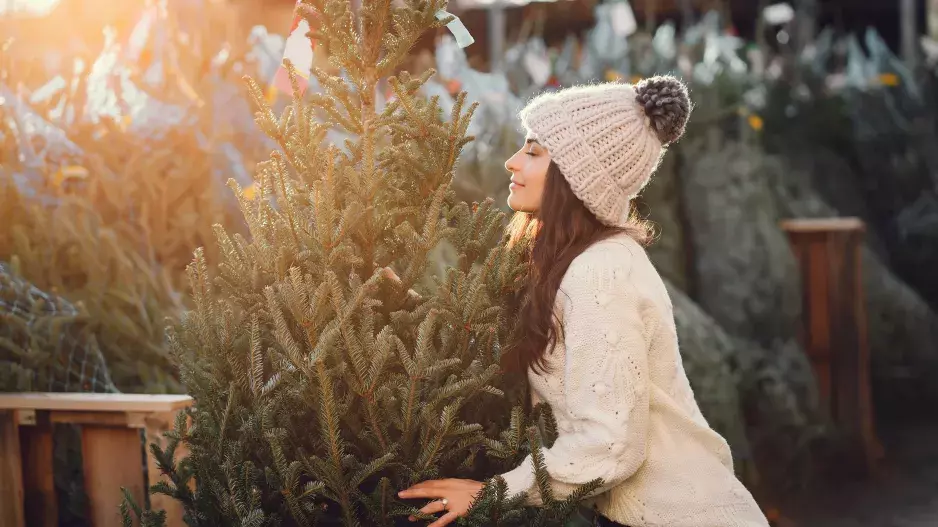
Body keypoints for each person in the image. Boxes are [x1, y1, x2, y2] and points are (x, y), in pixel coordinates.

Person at [399, 76, 769, 527]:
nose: (512, 162)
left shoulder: (600, 273)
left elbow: (610, 443)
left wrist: (491, 493)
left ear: (577, 178)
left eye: (534, 152)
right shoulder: (574, 260)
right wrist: (403, 306)